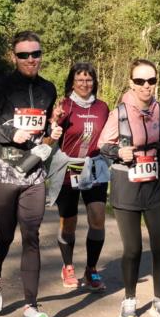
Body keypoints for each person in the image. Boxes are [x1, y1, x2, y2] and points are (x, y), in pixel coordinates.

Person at [0, 31, 62, 317]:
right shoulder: (0, 87)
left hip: (33, 171)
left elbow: (44, 127)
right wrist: (9, 134)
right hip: (4, 169)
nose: (31, 60)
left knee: (31, 236)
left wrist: (52, 132)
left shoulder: (48, 89)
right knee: (6, 234)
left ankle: (31, 308)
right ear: (14, 57)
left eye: (36, 54)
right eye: (24, 55)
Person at [98, 58, 160, 317]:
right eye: (140, 81)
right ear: (131, 83)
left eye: (151, 81)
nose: (146, 86)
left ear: (157, 82)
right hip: (127, 186)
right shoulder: (120, 113)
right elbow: (102, 145)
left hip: (157, 184)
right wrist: (117, 151)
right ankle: (129, 300)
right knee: (133, 249)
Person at [46, 62, 111, 290]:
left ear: (94, 82)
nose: (85, 83)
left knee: (98, 217)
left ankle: (91, 270)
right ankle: (68, 266)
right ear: (72, 82)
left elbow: (110, 136)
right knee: (69, 222)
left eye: (89, 79)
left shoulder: (103, 107)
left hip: (94, 166)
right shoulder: (65, 105)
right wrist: (55, 120)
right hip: (70, 166)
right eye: (80, 79)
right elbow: (51, 135)